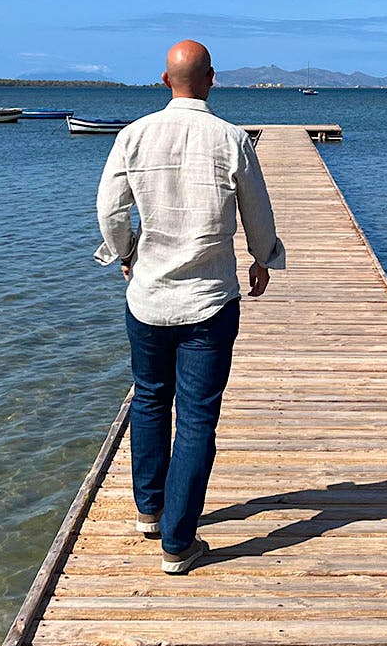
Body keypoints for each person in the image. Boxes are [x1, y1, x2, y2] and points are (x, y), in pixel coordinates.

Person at [94, 39, 286, 574]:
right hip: (209, 299)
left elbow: (110, 208)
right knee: (197, 417)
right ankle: (178, 544)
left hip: (148, 296)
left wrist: (126, 252)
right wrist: (262, 258)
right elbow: (258, 211)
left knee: (150, 399)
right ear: (211, 79)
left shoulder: (133, 135)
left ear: (163, 80)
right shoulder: (231, 140)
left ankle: (150, 512)